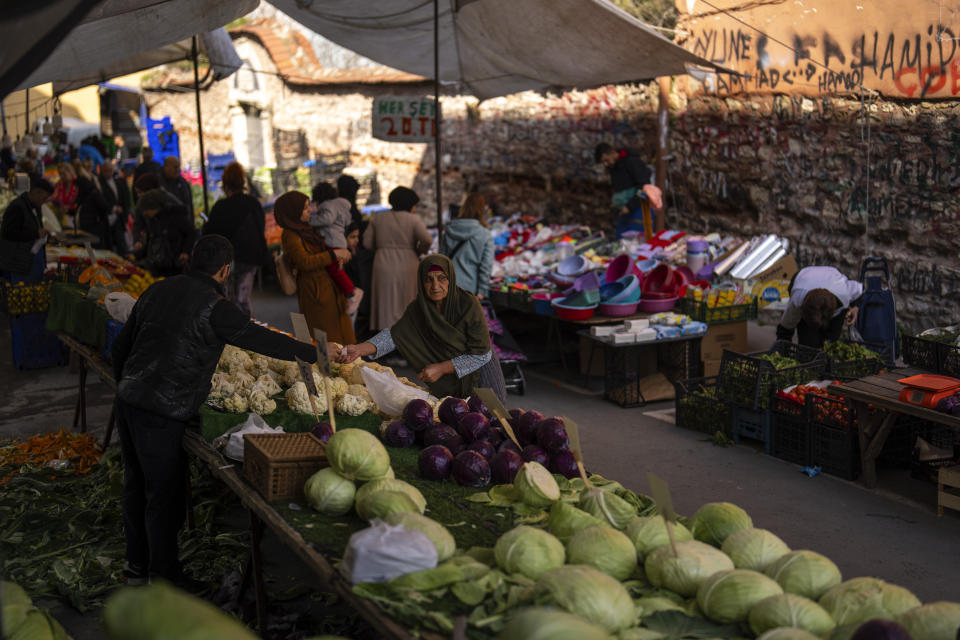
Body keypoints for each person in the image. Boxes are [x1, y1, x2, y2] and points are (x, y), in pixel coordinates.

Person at [111, 234, 319, 588]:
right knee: (163, 495)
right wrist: (312, 353)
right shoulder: (215, 306)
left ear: (192, 260)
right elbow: (258, 338)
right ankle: (163, 578)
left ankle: (136, 567)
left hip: (129, 400)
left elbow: (120, 349)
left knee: (135, 485)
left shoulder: (157, 290)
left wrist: (129, 388)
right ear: (225, 270)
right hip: (162, 411)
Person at [340, 255, 507, 401]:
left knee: (492, 422)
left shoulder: (468, 305)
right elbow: (395, 337)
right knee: (458, 424)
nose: (435, 286)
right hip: (450, 383)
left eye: (441, 278)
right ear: (421, 281)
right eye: (429, 279)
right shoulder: (418, 309)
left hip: (482, 372)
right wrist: (359, 349)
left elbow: (481, 354)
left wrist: (441, 368)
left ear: (451, 279)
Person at [276, 191, 356, 344]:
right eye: (305, 208)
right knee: (326, 340)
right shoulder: (290, 235)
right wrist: (333, 254)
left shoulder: (307, 229)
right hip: (315, 292)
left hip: (329, 288)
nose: (310, 211)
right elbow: (304, 262)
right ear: (293, 211)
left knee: (341, 337)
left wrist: (338, 255)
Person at [201, 162, 267, 317]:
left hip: (229, 260)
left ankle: (233, 333)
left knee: (229, 299)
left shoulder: (221, 207)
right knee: (244, 297)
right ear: (242, 181)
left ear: (225, 184)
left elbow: (211, 233)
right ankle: (247, 330)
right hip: (251, 257)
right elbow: (261, 228)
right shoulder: (253, 203)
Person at [363, 186, 432, 330]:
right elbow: (427, 239)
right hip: (408, 262)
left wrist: (381, 248)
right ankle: (406, 334)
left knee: (385, 302)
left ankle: (383, 338)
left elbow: (366, 243)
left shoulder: (378, 218)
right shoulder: (413, 219)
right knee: (406, 300)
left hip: (382, 262)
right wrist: (419, 251)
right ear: (410, 204)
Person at [776, 266, 864, 349]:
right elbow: (785, 329)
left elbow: (861, 291)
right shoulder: (797, 300)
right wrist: (783, 350)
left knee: (831, 342)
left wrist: (855, 308)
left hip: (833, 279)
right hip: (804, 276)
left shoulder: (844, 292)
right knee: (808, 345)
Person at [310, 182, 360, 314]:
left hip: (332, 242)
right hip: (339, 240)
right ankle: (346, 293)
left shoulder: (328, 205)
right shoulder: (341, 205)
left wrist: (311, 221)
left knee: (334, 270)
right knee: (337, 269)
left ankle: (351, 293)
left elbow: (327, 219)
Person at [594, 142, 663, 237]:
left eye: (606, 160)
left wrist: (630, 206)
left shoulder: (633, 163)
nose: (606, 164)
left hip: (639, 211)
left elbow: (644, 188)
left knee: (639, 243)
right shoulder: (613, 168)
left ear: (612, 152)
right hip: (623, 213)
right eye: (603, 162)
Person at [439, 193, 495, 300]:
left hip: (446, 287)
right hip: (469, 289)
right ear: (482, 211)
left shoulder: (449, 230)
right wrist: (482, 291)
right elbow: (486, 266)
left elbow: (441, 260)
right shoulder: (485, 234)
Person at [133, 189, 195, 277]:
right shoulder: (153, 219)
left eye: (146, 210)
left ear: (154, 207)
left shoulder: (175, 216)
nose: (144, 213)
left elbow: (190, 233)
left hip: (175, 265)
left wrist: (185, 252)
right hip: (159, 265)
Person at [98, 159, 132, 253]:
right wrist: (113, 209)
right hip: (106, 219)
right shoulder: (99, 184)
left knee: (122, 246)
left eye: (110, 170)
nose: (108, 173)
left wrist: (125, 215)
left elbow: (126, 200)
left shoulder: (120, 182)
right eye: (106, 171)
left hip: (119, 220)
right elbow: (100, 201)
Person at [161, 156, 194, 222]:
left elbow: (189, 204)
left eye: (178, 167)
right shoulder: (158, 183)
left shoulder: (183, 183)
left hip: (183, 224)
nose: (178, 170)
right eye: (175, 167)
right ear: (166, 167)